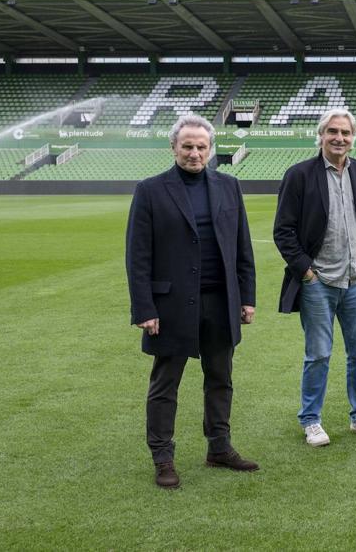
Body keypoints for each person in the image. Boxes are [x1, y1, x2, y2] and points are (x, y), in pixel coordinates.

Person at [125, 114, 258, 489]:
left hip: (221, 301)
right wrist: (145, 308)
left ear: (211, 149)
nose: (195, 153)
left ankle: (219, 446)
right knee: (165, 383)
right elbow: (138, 255)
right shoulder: (150, 190)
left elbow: (242, 248)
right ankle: (163, 457)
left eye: (201, 146)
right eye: (187, 146)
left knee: (220, 378)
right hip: (170, 306)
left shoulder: (229, 186)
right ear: (173, 147)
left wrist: (246, 297)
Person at [274, 108, 356, 447]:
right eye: (333, 132)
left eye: (345, 133)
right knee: (319, 355)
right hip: (318, 283)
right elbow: (283, 231)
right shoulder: (299, 175)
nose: (339, 138)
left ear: (353, 138)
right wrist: (306, 272)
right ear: (321, 135)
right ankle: (311, 420)